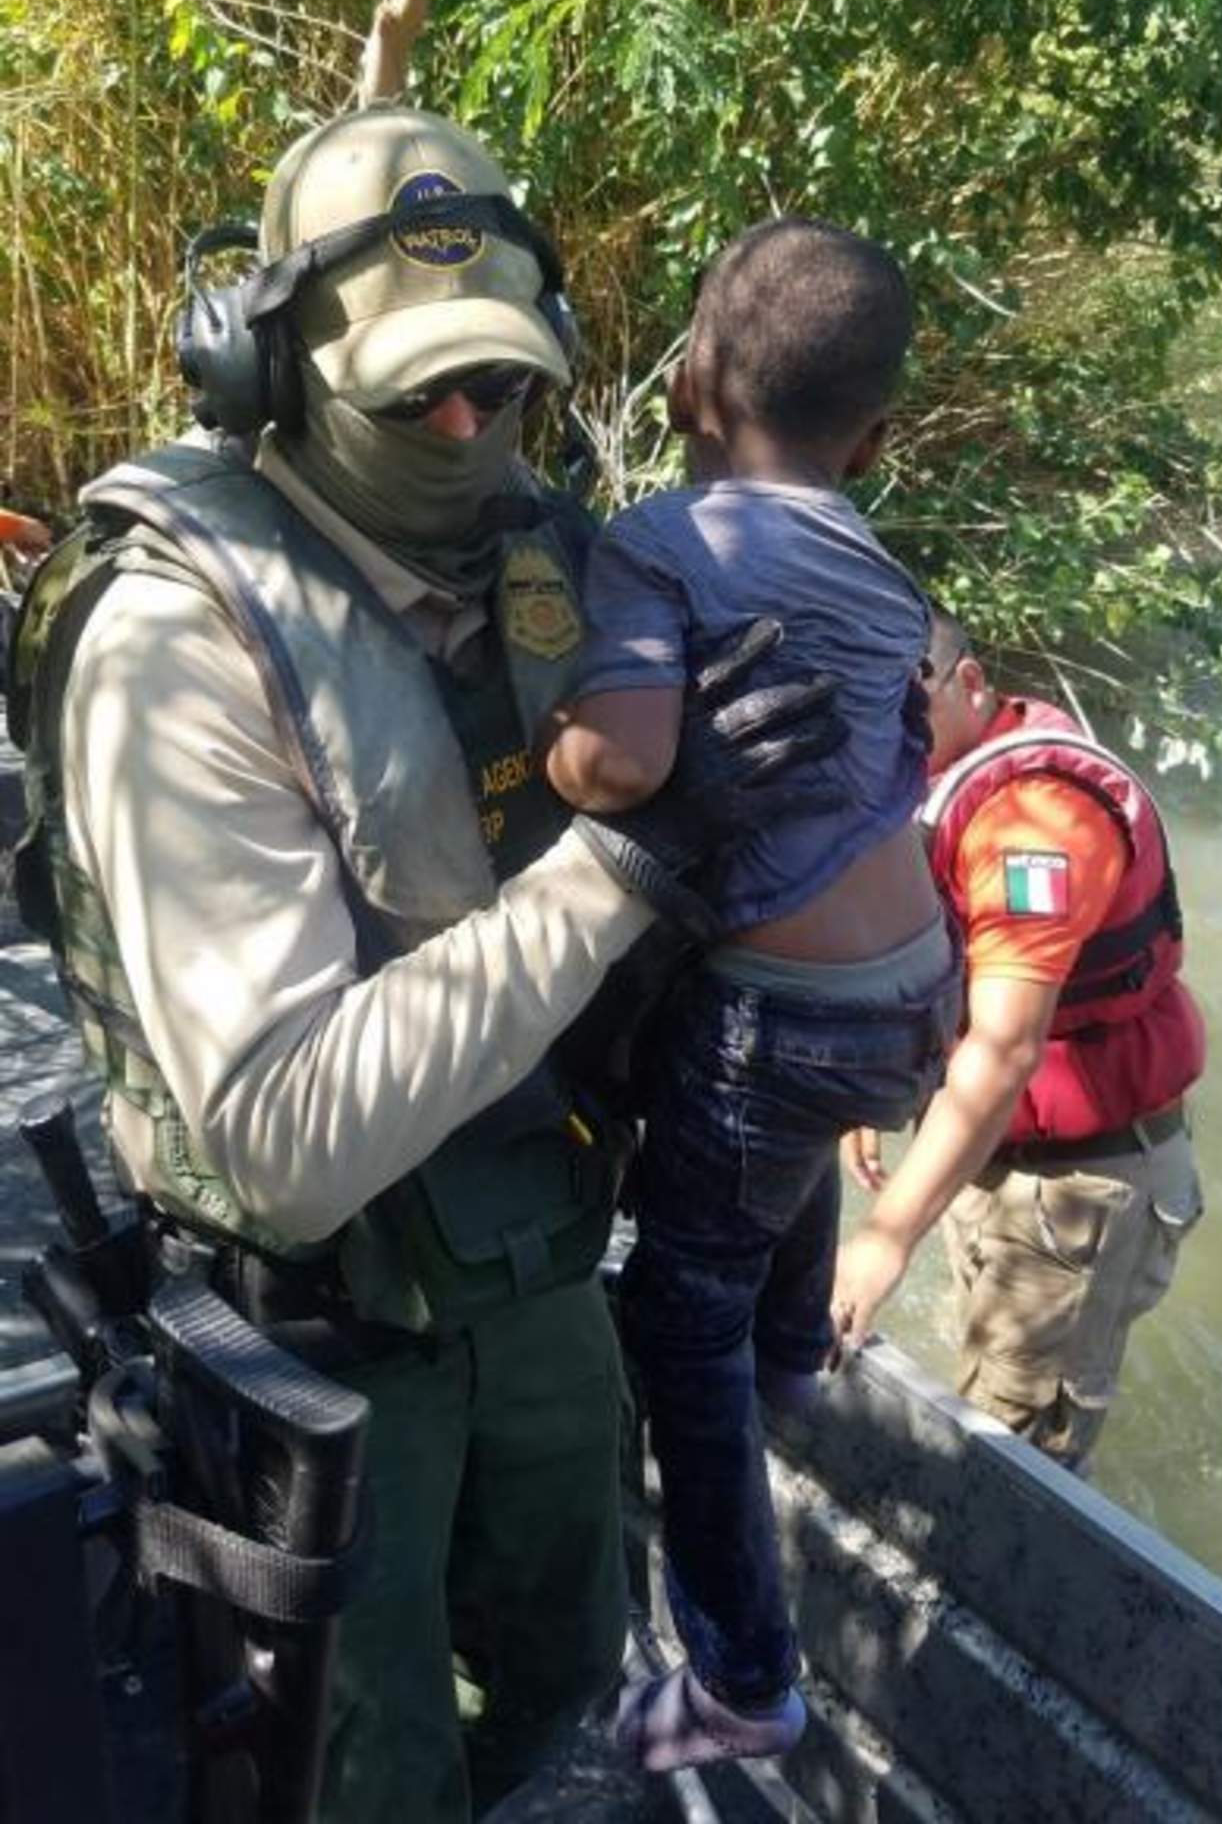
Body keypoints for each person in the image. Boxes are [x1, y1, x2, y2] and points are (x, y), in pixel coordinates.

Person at [7, 107, 846, 1824]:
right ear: (265, 371)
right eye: (416, 396)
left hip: (543, 1270)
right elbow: (284, 1137)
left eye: (500, 384)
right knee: (365, 1774)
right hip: (318, 1338)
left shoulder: (562, 564)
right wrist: (630, 861)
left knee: (572, 1701)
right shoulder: (173, 639)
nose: (468, 429)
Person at [544, 219, 962, 1771]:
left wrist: (557, 740)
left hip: (784, 1016)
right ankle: (794, 1348)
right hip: (919, 993)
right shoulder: (884, 562)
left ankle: (741, 1672)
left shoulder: (664, 538)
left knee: (675, 1310)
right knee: (773, 1159)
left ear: (690, 382)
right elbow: (916, 719)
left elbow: (626, 760)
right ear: (876, 439)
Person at [833, 606, 1207, 1472]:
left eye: (904, 708)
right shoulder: (939, 774)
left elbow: (1005, 1047)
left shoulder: (1035, 824)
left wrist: (886, 1235)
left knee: (1009, 1449)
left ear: (969, 682)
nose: (885, 737)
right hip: (994, 1144)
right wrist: (871, 1096)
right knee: (973, 1379)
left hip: (1079, 1185)